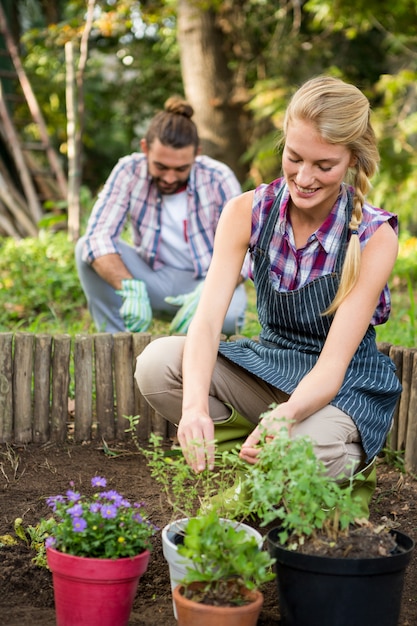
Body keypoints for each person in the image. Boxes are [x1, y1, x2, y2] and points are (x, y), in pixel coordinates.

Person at [134, 76, 402, 500]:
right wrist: (193, 410)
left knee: (305, 449)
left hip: (342, 388)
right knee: (157, 365)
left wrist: (287, 417)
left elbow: (332, 369)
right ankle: (254, 462)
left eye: (323, 165)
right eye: (294, 158)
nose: (304, 177)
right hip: (272, 365)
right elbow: (205, 324)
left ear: (352, 158)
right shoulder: (247, 211)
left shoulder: (373, 236)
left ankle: (322, 464)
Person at [75, 97, 248, 336]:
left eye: (180, 169)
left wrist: (210, 291)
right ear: (145, 148)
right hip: (152, 280)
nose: (169, 178)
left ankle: (201, 344)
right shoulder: (128, 171)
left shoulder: (219, 177)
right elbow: (97, 237)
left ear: (196, 154)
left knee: (228, 319)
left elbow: (247, 250)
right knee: (85, 248)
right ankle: (116, 338)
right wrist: (129, 286)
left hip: (206, 281)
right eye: (160, 166)